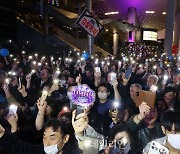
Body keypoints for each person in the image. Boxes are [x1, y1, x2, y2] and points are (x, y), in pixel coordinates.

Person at [0, 118, 80, 154]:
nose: (47, 143)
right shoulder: (40, 150)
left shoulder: (74, 151)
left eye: (52, 137)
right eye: (44, 136)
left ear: (65, 138)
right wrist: (2, 132)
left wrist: (81, 135)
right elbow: (19, 147)